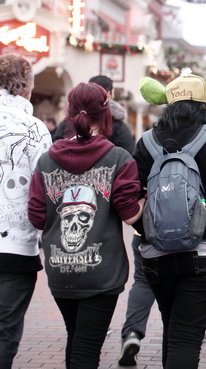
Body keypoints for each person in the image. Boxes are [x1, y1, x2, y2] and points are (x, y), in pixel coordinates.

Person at [133, 67, 206, 368]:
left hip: (156, 251)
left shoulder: (146, 141)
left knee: (173, 325)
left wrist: (144, 231)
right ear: (203, 104)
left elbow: (130, 194)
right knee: (186, 332)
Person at [27, 82, 144, 369]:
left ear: (69, 113)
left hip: (60, 269)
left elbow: (37, 217)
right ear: (106, 116)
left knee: (76, 338)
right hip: (102, 273)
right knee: (87, 348)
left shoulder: (46, 161)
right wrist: (145, 198)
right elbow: (130, 215)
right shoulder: (119, 159)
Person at [0, 54, 52, 368]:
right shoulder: (35, 129)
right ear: (26, 89)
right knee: (6, 329)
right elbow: (45, 187)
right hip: (16, 247)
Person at [53, 75, 135, 154]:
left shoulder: (67, 123)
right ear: (109, 94)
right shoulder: (119, 127)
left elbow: (55, 148)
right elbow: (127, 155)